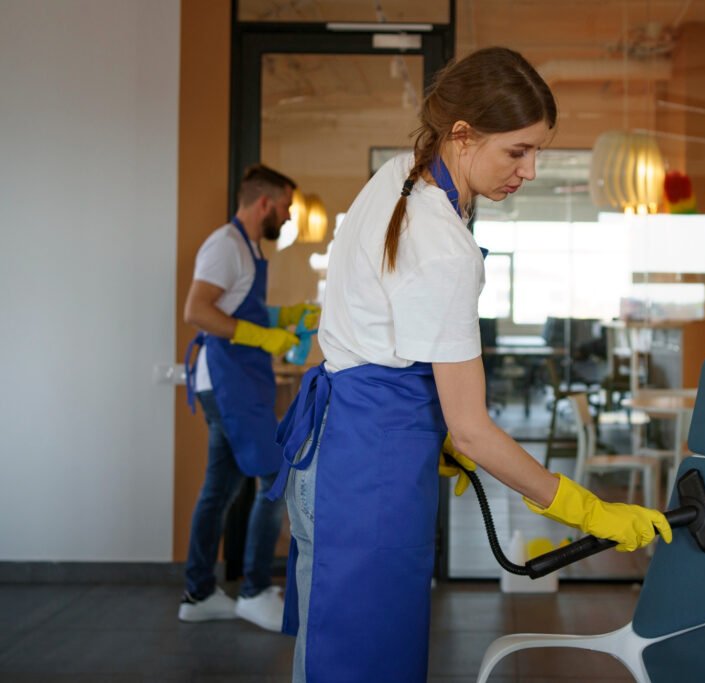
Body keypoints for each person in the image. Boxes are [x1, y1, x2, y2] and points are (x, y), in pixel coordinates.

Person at [268, 47, 673, 683]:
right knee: (359, 663)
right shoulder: (443, 245)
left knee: (338, 652)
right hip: (368, 476)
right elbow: (474, 430)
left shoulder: (404, 174)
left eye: (537, 150)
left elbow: (380, 337)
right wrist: (590, 511)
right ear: (463, 135)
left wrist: (428, 428)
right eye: (518, 151)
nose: (531, 170)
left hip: (343, 452)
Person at [180, 164, 320, 632]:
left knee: (220, 490)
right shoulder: (225, 246)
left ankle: (198, 594)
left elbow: (241, 307)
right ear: (265, 203)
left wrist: (283, 318)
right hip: (228, 384)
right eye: (284, 208)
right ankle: (256, 591)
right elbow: (197, 311)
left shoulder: (248, 250)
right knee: (276, 480)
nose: (286, 217)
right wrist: (266, 338)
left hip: (236, 385)